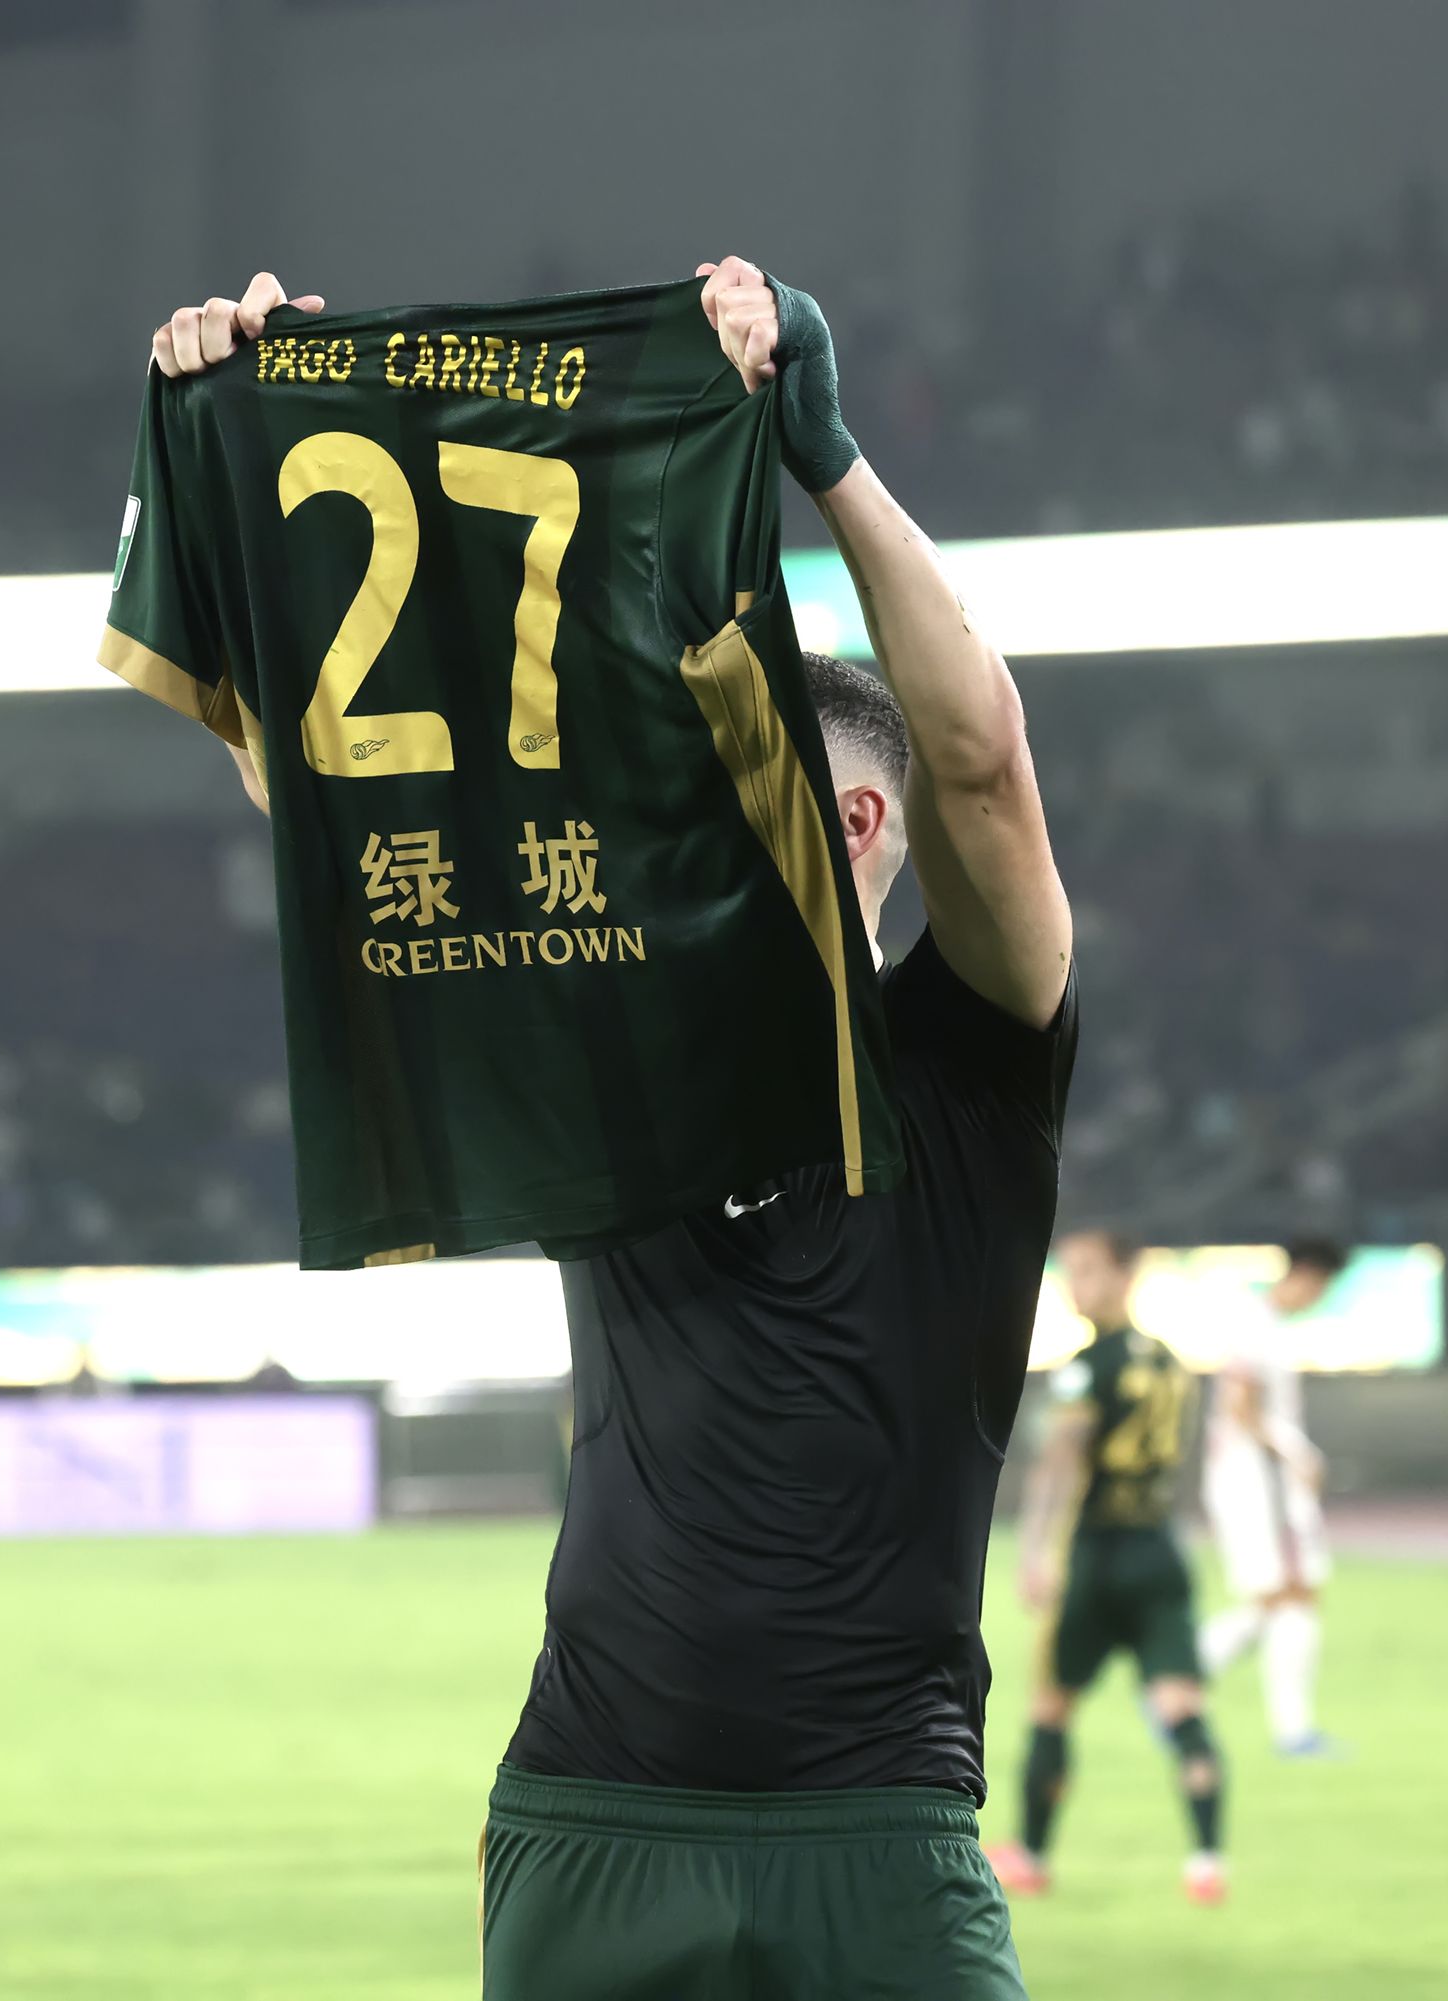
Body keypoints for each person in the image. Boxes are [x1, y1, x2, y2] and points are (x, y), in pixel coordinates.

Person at [151, 261, 1076, 1998]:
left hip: (878, 1831)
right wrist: (233, 467)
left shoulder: (972, 1058)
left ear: (851, 819)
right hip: (589, 1811)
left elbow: (984, 770)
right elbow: (335, 806)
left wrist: (827, 461)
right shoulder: (605, 1014)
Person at [986, 1226, 1227, 1907]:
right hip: (1160, 1547)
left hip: (1096, 1555)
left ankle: (1032, 1855)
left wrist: (1035, 1551)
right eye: (1070, 1271)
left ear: (1126, 1275)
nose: (1076, 1287)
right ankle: (1207, 1860)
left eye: (1089, 1271)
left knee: (1051, 1705)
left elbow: (1060, 1460)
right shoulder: (1172, 1363)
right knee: (1180, 1706)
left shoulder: (1087, 1366)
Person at [1198, 1237, 1344, 1757]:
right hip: (1257, 1484)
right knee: (1288, 1597)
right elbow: (1240, 1406)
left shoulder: (1267, 1325)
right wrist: (1294, 1452)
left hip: (1265, 1483)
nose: (1318, 1298)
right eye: (1321, 1287)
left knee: (1284, 1598)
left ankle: (1178, 1685)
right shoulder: (1254, 1323)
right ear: (1305, 1275)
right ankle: (1291, 1730)